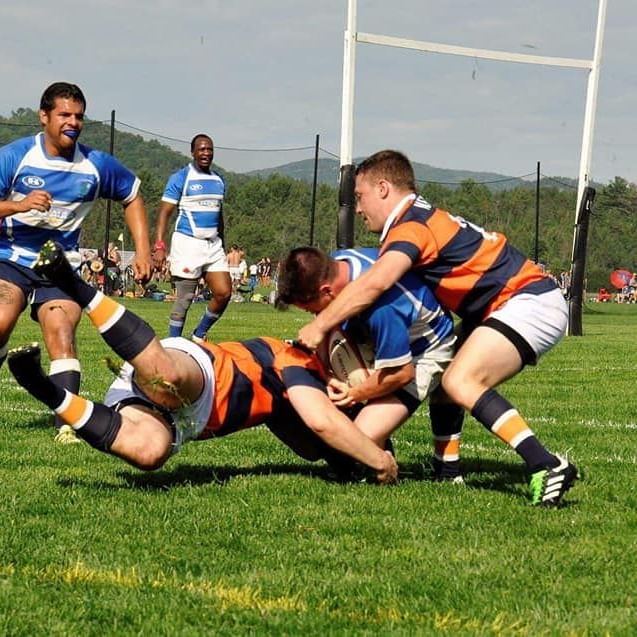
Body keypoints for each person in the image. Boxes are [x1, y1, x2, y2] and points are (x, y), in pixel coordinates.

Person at [297, 149, 577, 507]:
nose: (359, 207)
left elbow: (377, 282)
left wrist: (321, 325)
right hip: (508, 303)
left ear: (383, 188)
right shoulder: (416, 220)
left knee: (461, 381)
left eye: (360, 196)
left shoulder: (411, 227)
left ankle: (546, 464)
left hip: (527, 301)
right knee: (449, 384)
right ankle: (448, 471)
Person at [7, 240, 397, 485]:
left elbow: (320, 444)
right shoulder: (293, 360)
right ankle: (75, 284)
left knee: (149, 452)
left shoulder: (287, 406)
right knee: (166, 379)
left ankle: (43, 388)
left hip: (174, 418)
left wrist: (354, 457)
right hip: (198, 372)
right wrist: (381, 461)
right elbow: (322, 421)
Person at [0, 81, 152, 438]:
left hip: (59, 268)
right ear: (44, 116)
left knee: (62, 334)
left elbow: (133, 196)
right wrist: (18, 205)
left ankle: (67, 426)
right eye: (64, 114)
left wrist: (143, 250)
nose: (73, 122)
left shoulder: (96, 165)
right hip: (10, 259)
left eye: (79, 116)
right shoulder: (15, 156)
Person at [277, 246, 464, 480]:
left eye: (307, 307)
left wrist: (354, 393)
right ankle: (376, 432)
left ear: (326, 291)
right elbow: (326, 322)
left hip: (424, 352)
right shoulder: (337, 265)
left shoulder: (382, 310)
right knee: (345, 430)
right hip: (380, 336)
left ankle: (383, 451)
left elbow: (400, 373)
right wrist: (327, 374)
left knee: (358, 439)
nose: (310, 314)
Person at [153, 134, 232, 343]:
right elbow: (164, 213)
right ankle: (174, 344)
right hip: (188, 243)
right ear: (193, 152)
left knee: (224, 293)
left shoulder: (218, 179)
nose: (206, 153)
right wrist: (160, 245)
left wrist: (221, 242)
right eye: (202, 149)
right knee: (184, 299)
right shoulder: (181, 178)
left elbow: (218, 213)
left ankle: (198, 335)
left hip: (213, 245)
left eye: (209, 149)